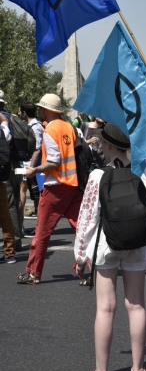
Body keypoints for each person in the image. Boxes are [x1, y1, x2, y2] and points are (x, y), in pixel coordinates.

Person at [75, 123, 146, 371]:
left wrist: (80, 256)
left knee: (105, 308)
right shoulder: (143, 171)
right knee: (136, 305)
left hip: (105, 245)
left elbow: (87, 218)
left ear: (108, 145)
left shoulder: (98, 176)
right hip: (137, 245)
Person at [15, 94, 82, 284]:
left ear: (46, 110)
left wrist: (34, 170)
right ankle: (95, 268)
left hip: (56, 186)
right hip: (72, 184)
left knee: (41, 232)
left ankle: (34, 272)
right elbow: (76, 149)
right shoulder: (68, 126)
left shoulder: (49, 131)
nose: (40, 110)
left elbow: (53, 161)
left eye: (41, 107)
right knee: (81, 229)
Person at [0, 90, 23, 251]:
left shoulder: (3, 120)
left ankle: (14, 242)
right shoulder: (12, 117)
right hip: (17, 164)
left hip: (5, 166)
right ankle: (17, 240)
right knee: (14, 201)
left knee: (9, 206)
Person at [18, 101, 43, 226]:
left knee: (37, 196)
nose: (18, 113)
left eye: (19, 111)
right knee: (22, 190)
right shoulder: (29, 126)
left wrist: (32, 168)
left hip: (33, 167)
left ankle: (39, 225)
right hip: (26, 165)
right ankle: (20, 223)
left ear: (24, 112)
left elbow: (37, 149)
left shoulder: (36, 127)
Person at [0, 112, 17, 264]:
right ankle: (10, 252)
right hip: (1, 179)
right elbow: (5, 123)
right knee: (5, 216)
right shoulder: (2, 131)